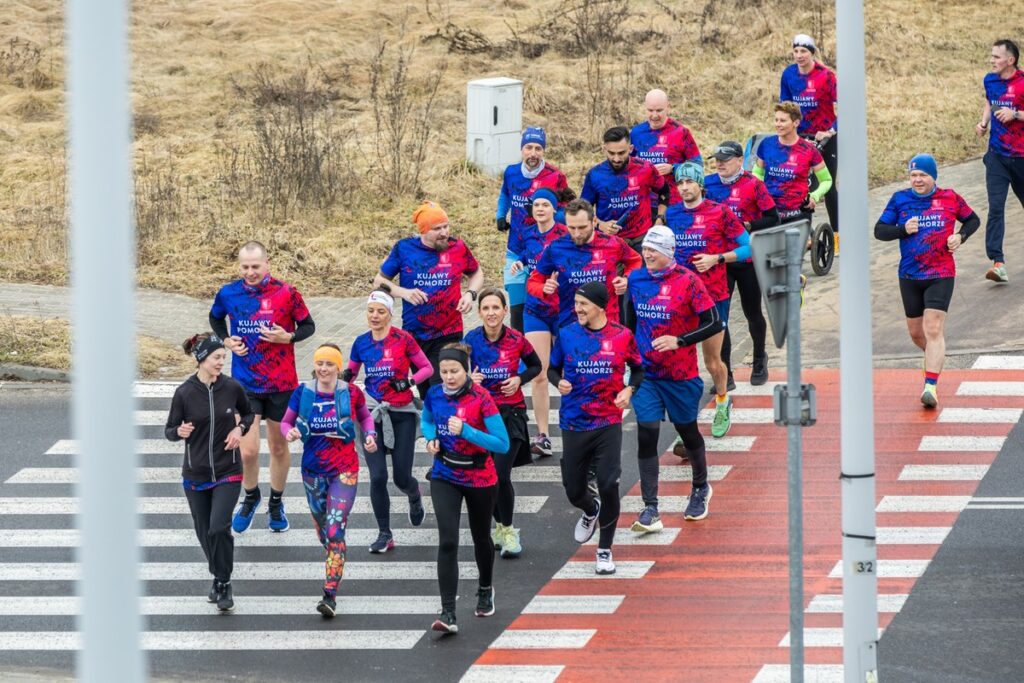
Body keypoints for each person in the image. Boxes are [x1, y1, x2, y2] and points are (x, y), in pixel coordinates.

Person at [209, 240, 315, 535]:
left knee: (279, 446)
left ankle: (276, 503)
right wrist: (226, 340)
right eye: (245, 267)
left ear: (267, 264)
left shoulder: (287, 292)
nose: (251, 272)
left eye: (256, 266)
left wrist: (288, 337)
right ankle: (251, 496)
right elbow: (215, 317)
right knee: (248, 449)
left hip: (281, 383)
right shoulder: (228, 293)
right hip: (245, 384)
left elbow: (309, 326)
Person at [627, 228, 722, 533]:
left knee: (687, 431)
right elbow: (630, 323)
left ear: (669, 251)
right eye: (645, 248)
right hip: (647, 375)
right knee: (647, 434)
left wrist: (679, 341)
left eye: (653, 249)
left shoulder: (689, 281)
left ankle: (700, 487)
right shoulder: (636, 280)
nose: (647, 254)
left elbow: (712, 322)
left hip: (680, 375)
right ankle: (650, 508)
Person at [548, 281, 644, 575]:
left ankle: (604, 550)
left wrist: (629, 391)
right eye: (576, 303)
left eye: (583, 304)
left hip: (608, 421)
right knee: (574, 491)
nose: (577, 309)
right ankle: (591, 510)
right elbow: (552, 368)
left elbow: (638, 368)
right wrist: (557, 382)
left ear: (600, 306)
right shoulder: (566, 334)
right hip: (575, 421)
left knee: (608, 483)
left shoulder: (622, 336)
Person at [874, 154, 980, 408]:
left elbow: (973, 219)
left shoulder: (950, 198)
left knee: (933, 329)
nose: (917, 180)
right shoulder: (900, 199)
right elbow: (879, 230)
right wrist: (902, 230)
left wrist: (961, 236)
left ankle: (930, 386)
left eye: (923, 175)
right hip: (909, 275)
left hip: (941, 273)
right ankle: (935, 356)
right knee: (916, 333)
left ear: (934, 176)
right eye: (913, 175)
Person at [281, 343, 377, 618]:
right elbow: (286, 422)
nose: (324, 369)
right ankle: (336, 556)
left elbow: (365, 418)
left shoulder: (351, 393)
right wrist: (289, 433)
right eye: (320, 363)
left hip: (344, 469)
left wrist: (370, 437)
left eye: (330, 364)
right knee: (324, 532)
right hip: (312, 471)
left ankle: (329, 594)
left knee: (335, 530)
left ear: (338, 368)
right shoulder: (303, 392)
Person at [422, 343, 510, 635]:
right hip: (444, 472)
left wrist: (468, 431)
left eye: (454, 371)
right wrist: (431, 436)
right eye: (444, 371)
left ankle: (485, 588)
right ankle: (448, 612)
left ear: (466, 370)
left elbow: (502, 443)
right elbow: (426, 419)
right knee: (447, 539)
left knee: (480, 538)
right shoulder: (434, 393)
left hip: (479, 476)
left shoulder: (481, 398)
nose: (448, 377)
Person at [164, 333, 254, 613]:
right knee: (204, 533)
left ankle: (224, 582)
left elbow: (248, 415)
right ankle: (218, 575)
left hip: (228, 470)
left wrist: (239, 430)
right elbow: (169, 430)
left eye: (223, 358)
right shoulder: (184, 393)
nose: (221, 363)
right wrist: (179, 432)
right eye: (217, 358)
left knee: (219, 527)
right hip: (195, 474)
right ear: (201, 359)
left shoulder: (232, 387)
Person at [665, 162, 751, 439]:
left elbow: (749, 246)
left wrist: (718, 258)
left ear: (700, 184)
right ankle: (686, 422)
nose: (685, 187)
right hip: (680, 296)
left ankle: (723, 402)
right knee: (681, 360)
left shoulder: (720, 212)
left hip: (713, 296)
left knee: (712, 360)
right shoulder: (673, 213)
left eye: (690, 182)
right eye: (680, 183)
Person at [346, 290, 433, 553]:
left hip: (401, 412)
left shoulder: (403, 339)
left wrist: (408, 382)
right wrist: (338, 380)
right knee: (377, 476)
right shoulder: (361, 342)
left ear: (390, 314)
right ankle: (384, 533)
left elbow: (427, 368)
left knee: (401, 477)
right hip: (372, 414)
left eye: (380, 311)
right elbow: (350, 372)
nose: (374, 316)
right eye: (371, 310)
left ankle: (414, 495)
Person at [373, 201, 484, 399]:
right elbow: (379, 281)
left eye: (446, 226)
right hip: (416, 334)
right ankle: (432, 428)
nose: (444, 233)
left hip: (449, 331)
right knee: (426, 392)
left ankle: (448, 428)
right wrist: (403, 292)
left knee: (442, 388)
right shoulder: (404, 249)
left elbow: (476, 273)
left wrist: (470, 294)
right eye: (437, 229)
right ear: (423, 231)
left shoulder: (457, 247)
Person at [465, 288, 543, 558]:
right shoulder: (471, 340)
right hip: (482, 415)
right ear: (479, 313)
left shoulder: (517, 340)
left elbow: (536, 366)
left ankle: (508, 530)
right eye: (485, 308)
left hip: (511, 413)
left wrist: (520, 379)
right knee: (487, 477)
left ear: (505, 311)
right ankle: (499, 526)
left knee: (500, 474)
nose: (491, 313)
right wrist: (469, 381)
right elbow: (457, 374)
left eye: (496, 308)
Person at [704, 141, 780, 387]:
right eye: (717, 159)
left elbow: (773, 218)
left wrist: (746, 226)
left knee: (752, 311)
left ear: (740, 160)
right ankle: (726, 373)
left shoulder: (754, 185)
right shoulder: (707, 184)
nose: (719, 164)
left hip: (747, 259)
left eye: (725, 159)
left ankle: (759, 359)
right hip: (719, 260)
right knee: (721, 318)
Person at [582, 127, 673, 329]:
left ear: (631, 148)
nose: (616, 158)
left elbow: (665, 192)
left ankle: (642, 339)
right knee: (615, 295)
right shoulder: (595, 175)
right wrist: (601, 225)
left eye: (621, 153)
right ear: (604, 149)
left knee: (640, 293)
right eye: (611, 153)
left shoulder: (645, 169)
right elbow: (584, 211)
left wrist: (659, 219)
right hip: (611, 244)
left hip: (641, 242)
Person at [509, 189, 568, 457]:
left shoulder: (565, 234)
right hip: (535, 309)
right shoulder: (528, 233)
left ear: (555, 209)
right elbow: (526, 256)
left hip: (564, 309)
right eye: (536, 205)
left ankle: (574, 429)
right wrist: (519, 264)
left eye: (546, 204)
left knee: (567, 374)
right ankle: (543, 435)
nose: (540, 209)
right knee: (540, 373)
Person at [496, 127, 571, 331]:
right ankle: (521, 355)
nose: (533, 153)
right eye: (528, 147)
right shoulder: (511, 172)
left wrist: (546, 212)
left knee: (547, 304)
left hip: (545, 250)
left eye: (538, 148)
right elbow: (505, 195)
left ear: (543, 151)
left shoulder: (556, 176)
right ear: (522, 149)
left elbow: (566, 211)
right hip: (516, 249)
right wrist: (501, 215)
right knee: (517, 308)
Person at [527, 198, 643, 330]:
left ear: (594, 222)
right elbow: (533, 282)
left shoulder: (613, 243)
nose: (577, 234)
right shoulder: (556, 248)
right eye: (571, 228)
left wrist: (626, 279)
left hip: (608, 324)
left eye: (582, 227)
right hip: (571, 325)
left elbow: (635, 260)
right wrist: (544, 288)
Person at [780, 33, 839, 247]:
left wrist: (831, 131)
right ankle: (806, 237)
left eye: (803, 51)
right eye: (795, 51)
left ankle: (837, 236)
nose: (799, 55)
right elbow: (785, 106)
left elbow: (844, 107)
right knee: (801, 187)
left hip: (825, 137)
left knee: (828, 186)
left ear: (812, 53)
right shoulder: (788, 74)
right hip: (800, 137)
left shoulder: (826, 76)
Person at [976, 38, 1024, 283]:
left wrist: (1015, 114)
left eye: (996, 57)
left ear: (1010, 60)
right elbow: (989, 101)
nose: (991, 60)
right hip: (996, 156)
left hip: (1022, 158)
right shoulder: (990, 80)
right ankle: (998, 263)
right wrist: (984, 122)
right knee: (996, 208)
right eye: (991, 56)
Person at [753, 102, 833, 229]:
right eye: (776, 120)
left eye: (783, 121)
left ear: (795, 123)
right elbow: (757, 173)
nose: (778, 124)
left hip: (798, 211)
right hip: (770, 210)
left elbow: (827, 180)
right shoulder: (766, 144)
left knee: (798, 245)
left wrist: (814, 196)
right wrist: (760, 192)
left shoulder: (809, 150)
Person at [630, 88, 703, 211]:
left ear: (668, 107)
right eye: (650, 110)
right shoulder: (636, 133)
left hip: (674, 204)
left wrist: (673, 168)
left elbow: (698, 166)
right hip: (644, 203)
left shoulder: (681, 132)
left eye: (659, 110)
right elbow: (627, 165)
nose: (654, 115)